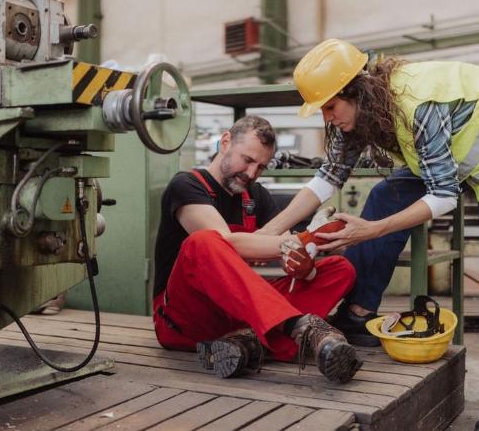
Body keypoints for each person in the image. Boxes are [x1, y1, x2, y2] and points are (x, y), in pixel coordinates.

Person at [258, 39, 479, 431]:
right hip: (458, 155)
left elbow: (444, 195)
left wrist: (372, 231)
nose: (327, 118)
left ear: (355, 91)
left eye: (330, 106)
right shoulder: (360, 113)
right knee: (384, 196)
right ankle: (359, 316)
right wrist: (268, 234)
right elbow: (328, 178)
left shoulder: (417, 105)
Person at [152, 115, 362, 384]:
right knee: (203, 242)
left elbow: (290, 258)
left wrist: (304, 262)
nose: (251, 173)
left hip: (241, 314)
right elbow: (227, 242)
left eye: (260, 167)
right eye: (247, 160)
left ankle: (247, 344)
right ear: (225, 142)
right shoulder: (187, 185)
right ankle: (296, 328)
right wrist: (303, 240)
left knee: (339, 269)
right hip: (186, 318)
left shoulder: (256, 196)